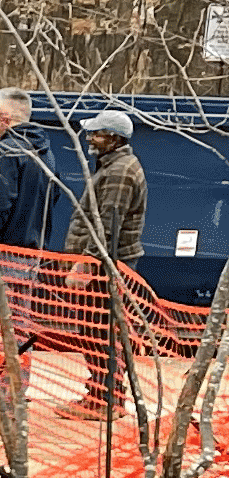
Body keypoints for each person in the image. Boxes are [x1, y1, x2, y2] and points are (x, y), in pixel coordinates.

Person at [63, 108, 148, 417]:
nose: (90, 138)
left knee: (100, 332)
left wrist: (86, 264)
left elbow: (107, 228)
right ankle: (102, 394)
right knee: (96, 330)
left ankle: (106, 401)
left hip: (105, 268)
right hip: (104, 265)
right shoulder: (113, 166)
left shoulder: (119, 173)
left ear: (114, 138)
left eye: (96, 134)